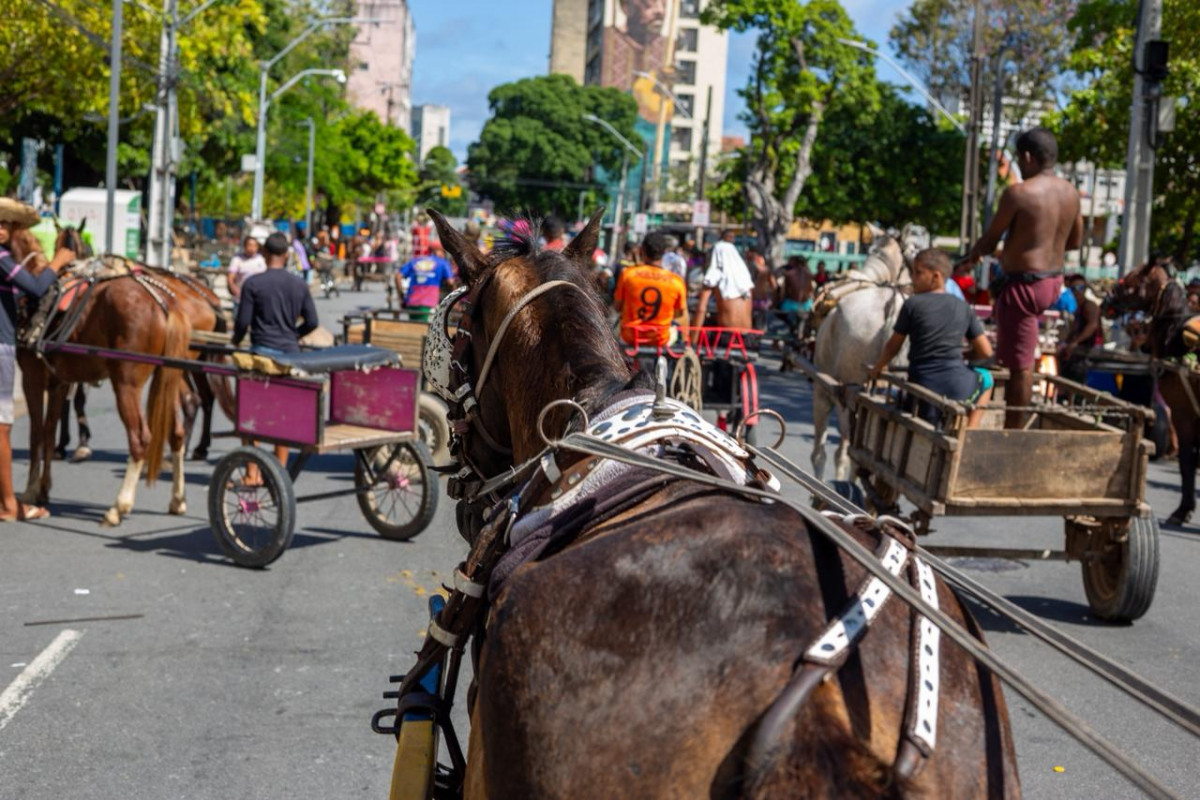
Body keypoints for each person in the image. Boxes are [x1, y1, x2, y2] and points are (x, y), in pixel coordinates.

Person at [961, 127, 1083, 428]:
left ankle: (1013, 431)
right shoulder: (1071, 193)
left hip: (1025, 287)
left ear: (1028, 157)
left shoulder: (1019, 193)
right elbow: (1075, 241)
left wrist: (970, 257)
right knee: (1018, 359)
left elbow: (989, 241)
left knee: (1021, 367)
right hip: (1053, 281)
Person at [0, 199, 75, 520]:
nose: (2, 229)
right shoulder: (2, 258)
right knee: (2, 428)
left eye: (6, 224)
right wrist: (59, 261)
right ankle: (8, 505)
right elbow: (34, 286)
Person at [870, 249, 994, 428]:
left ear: (936, 276)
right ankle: (969, 432)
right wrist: (963, 356)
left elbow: (892, 347)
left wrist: (877, 369)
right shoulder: (963, 307)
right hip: (958, 388)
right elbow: (985, 351)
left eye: (918, 272)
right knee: (987, 379)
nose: (912, 277)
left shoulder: (912, 304)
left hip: (922, 386)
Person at [233, 232, 319, 471]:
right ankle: (279, 471)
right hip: (290, 357)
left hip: (261, 355)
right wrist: (293, 335)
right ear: (287, 255)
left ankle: (252, 472)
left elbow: (242, 323)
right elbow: (312, 321)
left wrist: (235, 341)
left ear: (264, 253)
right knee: (283, 413)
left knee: (251, 412)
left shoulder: (253, 284)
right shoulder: (299, 284)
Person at [613, 231, 688, 347]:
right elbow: (678, 314)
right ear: (664, 252)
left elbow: (617, 307)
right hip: (661, 339)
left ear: (642, 251)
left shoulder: (628, 274)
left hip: (629, 337)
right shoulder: (676, 281)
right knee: (677, 331)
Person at [693, 229, 754, 337]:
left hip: (726, 337)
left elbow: (701, 309)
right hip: (747, 336)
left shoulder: (715, 274)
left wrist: (692, 342)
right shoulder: (744, 277)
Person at [1059, 274, 1103, 384]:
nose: (1077, 292)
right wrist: (1066, 343)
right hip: (1079, 354)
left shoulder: (1089, 306)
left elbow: (1092, 325)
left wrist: (1075, 342)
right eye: (1074, 289)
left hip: (1088, 354)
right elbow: (1074, 328)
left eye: (1081, 288)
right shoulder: (1078, 307)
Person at [397, 244, 455, 322]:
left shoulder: (415, 261)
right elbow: (451, 282)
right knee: (423, 329)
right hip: (429, 302)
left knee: (413, 327)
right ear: (439, 252)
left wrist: (401, 296)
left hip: (411, 301)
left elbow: (397, 276)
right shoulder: (442, 263)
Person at [227, 235, 265, 304]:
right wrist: (234, 289)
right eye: (250, 245)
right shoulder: (237, 259)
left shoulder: (262, 260)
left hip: (258, 298)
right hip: (241, 298)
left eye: (254, 246)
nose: (252, 248)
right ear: (244, 246)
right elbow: (230, 278)